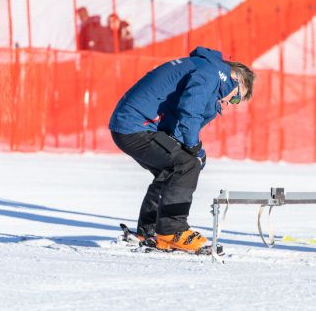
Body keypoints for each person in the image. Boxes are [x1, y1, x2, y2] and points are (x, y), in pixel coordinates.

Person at [109, 46, 255, 252]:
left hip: (129, 124)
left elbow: (177, 121)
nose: (231, 103)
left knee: (170, 170)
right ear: (236, 79)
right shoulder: (213, 73)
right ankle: (172, 231)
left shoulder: (205, 68)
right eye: (236, 98)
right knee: (187, 165)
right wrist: (194, 148)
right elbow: (190, 109)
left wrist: (191, 147)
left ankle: (148, 231)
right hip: (135, 126)